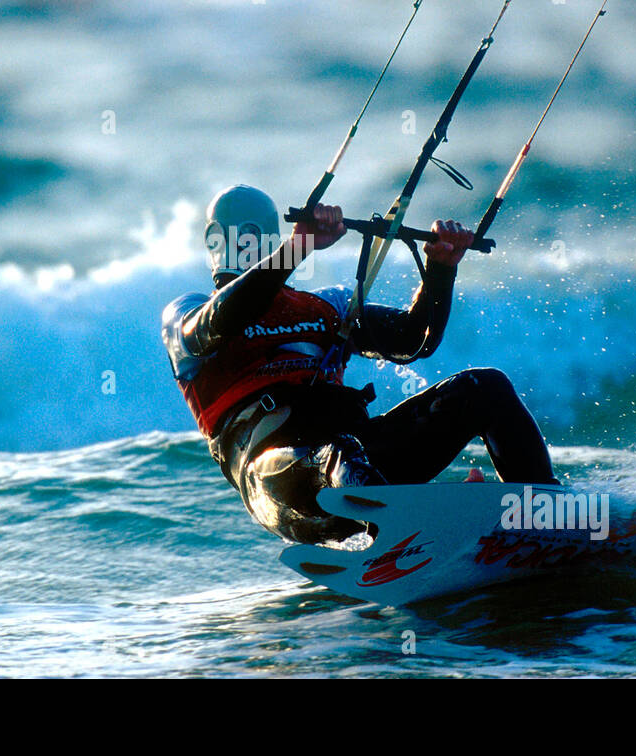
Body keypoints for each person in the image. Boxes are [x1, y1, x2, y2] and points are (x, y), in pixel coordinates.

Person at [161, 184, 559, 544]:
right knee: (339, 454)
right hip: (281, 481)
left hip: (364, 460)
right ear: (213, 241)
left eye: (260, 232)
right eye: (241, 233)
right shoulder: (186, 314)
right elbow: (221, 320)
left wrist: (440, 269)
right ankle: (412, 530)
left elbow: (411, 341)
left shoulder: (328, 306)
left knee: (485, 387)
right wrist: (298, 249)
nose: (252, 241)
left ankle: (549, 517)